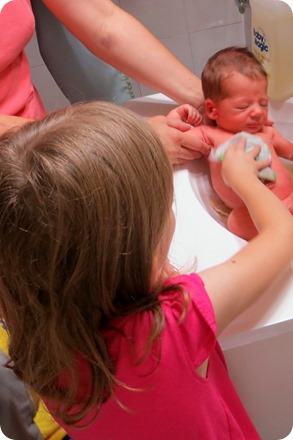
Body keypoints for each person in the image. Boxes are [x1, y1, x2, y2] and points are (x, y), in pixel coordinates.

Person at [0, 101, 292, 439]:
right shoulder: (173, 324)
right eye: (166, 205)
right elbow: (282, 236)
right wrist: (243, 178)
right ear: (136, 250)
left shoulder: (33, 340)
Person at [0, 0, 208, 164]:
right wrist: (123, 139)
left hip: (37, 140)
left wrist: (205, 100)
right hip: (19, 152)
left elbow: (104, 23)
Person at [168, 46, 293, 239]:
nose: (258, 112)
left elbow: (291, 152)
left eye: (263, 103)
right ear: (212, 109)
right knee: (235, 221)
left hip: (289, 199)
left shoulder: (267, 132)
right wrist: (178, 120)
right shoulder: (209, 135)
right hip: (252, 215)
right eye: (243, 106)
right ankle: (282, 227)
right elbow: (178, 143)